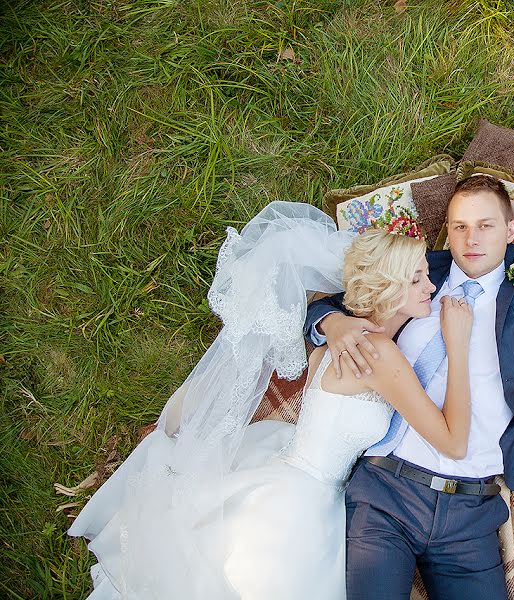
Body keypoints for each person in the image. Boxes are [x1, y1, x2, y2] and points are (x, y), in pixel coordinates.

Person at [68, 201, 478, 599]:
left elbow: (320, 313)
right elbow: (453, 443)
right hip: (302, 504)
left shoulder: (338, 339)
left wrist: (330, 319)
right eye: (417, 278)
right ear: (386, 287)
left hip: (286, 467)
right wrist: (457, 346)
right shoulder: (380, 355)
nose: (431, 286)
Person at [305, 174, 514, 599]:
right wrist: (330, 323)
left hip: (471, 511)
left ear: (511, 230)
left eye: (486, 225)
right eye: (459, 226)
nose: (470, 239)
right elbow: (332, 304)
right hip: (386, 492)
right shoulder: (423, 273)